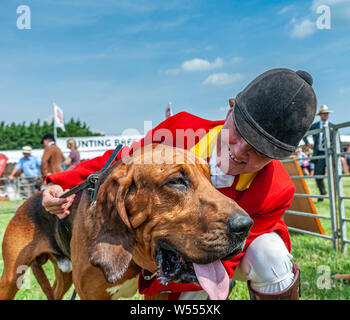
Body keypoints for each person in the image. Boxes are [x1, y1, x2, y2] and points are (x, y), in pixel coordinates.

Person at [41, 68, 317, 300]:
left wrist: (191, 270)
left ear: (280, 157)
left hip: (227, 253)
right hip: (177, 245)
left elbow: (233, 255)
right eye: (240, 131)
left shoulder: (279, 189)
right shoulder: (181, 129)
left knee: (270, 256)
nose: (241, 150)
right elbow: (125, 159)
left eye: (260, 149)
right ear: (230, 110)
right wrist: (59, 183)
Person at [303, 105, 337, 201]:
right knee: (318, 176)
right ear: (320, 115)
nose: (326, 115)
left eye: (327, 113)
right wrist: (307, 143)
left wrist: (340, 154)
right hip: (319, 154)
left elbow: (338, 140)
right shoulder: (314, 126)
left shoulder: (333, 127)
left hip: (331, 153)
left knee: (334, 175)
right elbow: (304, 133)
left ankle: (334, 195)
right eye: (324, 113)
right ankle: (322, 192)